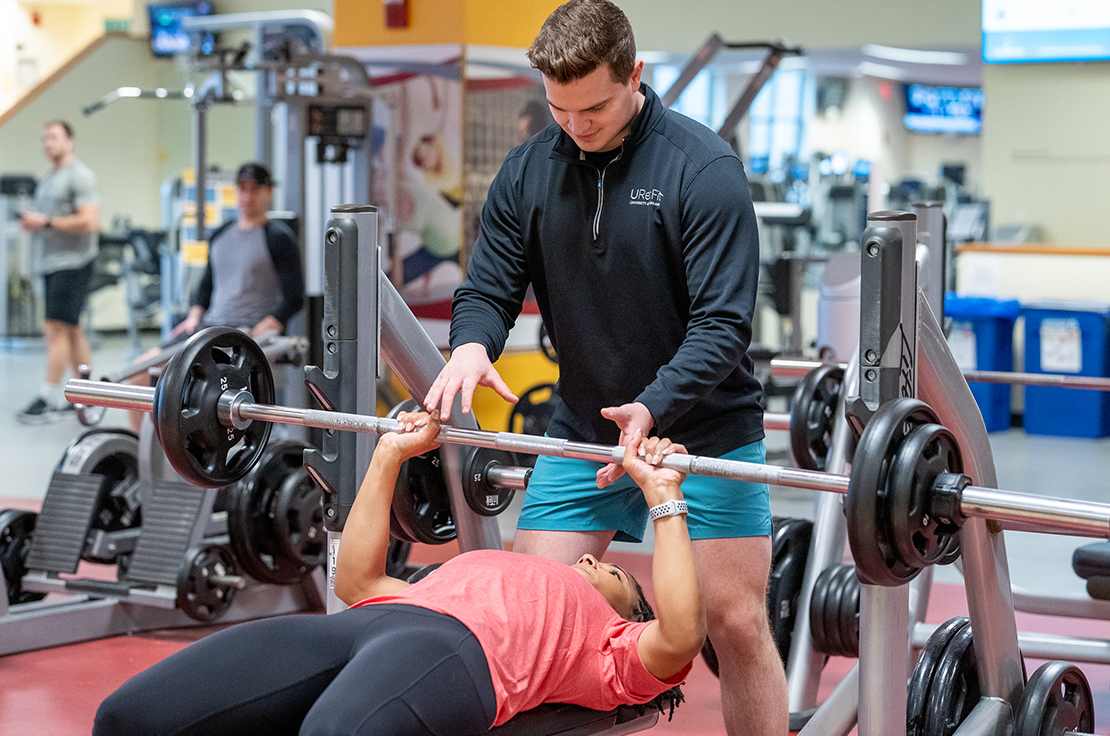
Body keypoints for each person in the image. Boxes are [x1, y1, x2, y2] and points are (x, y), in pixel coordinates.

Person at [422, 2, 785, 733]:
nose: (577, 126)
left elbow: (723, 326)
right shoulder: (530, 170)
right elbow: (490, 285)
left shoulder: (702, 169)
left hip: (703, 434)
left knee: (735, 623)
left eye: (594, 107)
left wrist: (652, 405)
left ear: (635, 75)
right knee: (528, 617)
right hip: (585, 431)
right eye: (560, 109)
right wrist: (470, 343)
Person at [93, 410, 704, 735]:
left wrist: (662, 495)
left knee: (336, 733)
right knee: (129, 718)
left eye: (618, 578)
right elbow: (356, 584)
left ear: (627, 620)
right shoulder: (467, 574)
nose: (594, 559)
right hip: (366, 625)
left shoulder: (610, 654)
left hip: (460, 655)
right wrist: (390, 453)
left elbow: (680, 634)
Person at [126, 162, 303, 431]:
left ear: (268, 192)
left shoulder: (279, 239)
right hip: (208, 327)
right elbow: (206, 286)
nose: (247, 196)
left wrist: (272, 322)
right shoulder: (221, 234)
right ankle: (141, 453)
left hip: (243, 335)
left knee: (193, 390)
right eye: (242, 189)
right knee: (139, 374)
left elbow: (294, 296)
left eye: (254, 189)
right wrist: (195, 313)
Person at [16, 120, 100, 424]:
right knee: (72, 330)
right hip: (52, 263)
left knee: (56, 329)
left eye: (53, 137)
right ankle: (88, 397)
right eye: (44, 138)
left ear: (70, 141)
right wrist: (35, 223)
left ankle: (48, 397)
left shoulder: (80, 176)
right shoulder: (49, 178)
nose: (47, 143)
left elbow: (89, 220)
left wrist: (48, 223)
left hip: (72, 262)